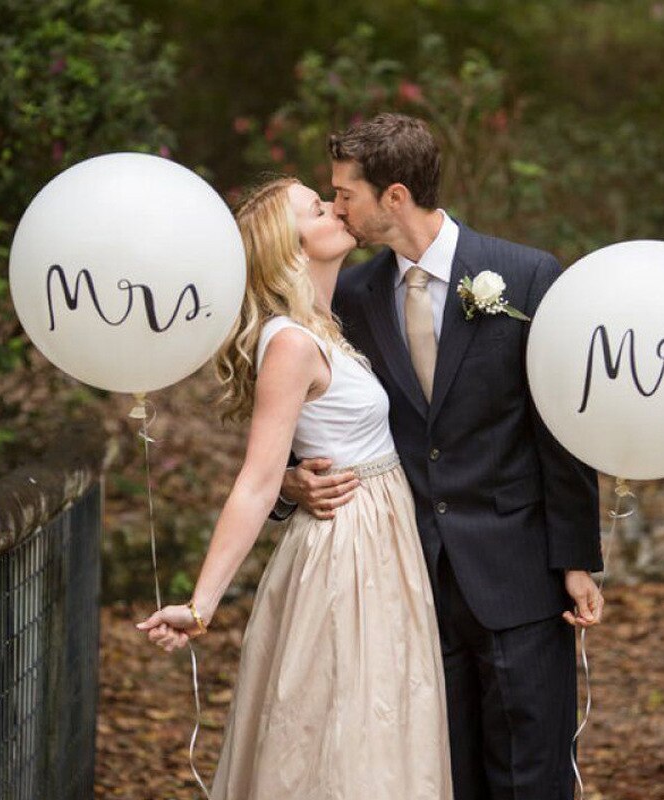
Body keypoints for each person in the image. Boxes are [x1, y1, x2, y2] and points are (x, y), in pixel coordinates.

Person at [278, 113, 605, 800]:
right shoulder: (356, 295)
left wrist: (575, 559)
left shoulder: (527, 273)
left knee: (531, 771)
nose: (337, 206)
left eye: (345, 194)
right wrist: (290, 484)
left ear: (393, 196)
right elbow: (314, 409)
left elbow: (560, 426)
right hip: (405, 578)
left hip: (517, 570)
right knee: (437, 773)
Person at [135, 177, 453, 799]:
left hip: (382, 545)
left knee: (381, 721)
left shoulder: (326, 327)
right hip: (346, 552)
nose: (338, 207)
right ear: (289, 247)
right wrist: (201, 604)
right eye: (318, 206)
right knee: (342, 728)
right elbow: (256, 481)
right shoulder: (290, 343)